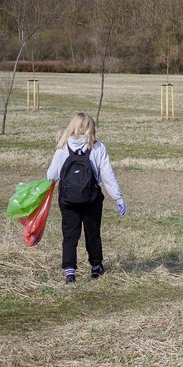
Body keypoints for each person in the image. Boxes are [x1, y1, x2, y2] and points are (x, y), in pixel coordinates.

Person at [46, 112, 125, 283]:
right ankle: (96, 267)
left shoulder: (62, 146)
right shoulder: (97, 147)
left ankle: (69, 272)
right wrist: (118, 198)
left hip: (67, 200)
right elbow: (107, 176)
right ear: (90, 127)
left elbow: (51, 175)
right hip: (91, 200)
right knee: (93, 233)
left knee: (69, 235)